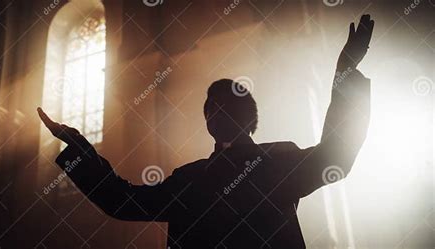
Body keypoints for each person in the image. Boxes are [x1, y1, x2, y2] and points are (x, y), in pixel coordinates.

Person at [38, 15, 374, 249]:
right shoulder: (189, 179)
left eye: (225, 103)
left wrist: (346, 71)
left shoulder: (278, 160)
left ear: (249, 115)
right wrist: (81, 150)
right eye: (210, 107)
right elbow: (123, 202)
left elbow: (336, 157)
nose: (215, 111)